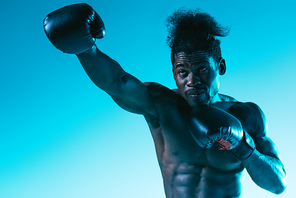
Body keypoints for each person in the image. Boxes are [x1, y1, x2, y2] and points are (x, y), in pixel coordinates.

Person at [43, 3, 287, 197]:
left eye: (202, 68)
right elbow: (116, 83)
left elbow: (278, 184)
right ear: (174, 73)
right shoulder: (160, 104)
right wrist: (86, 51)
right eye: (183, 72)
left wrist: (242, 145)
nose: (192, 80)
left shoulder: (246, 114)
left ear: (220, 66)